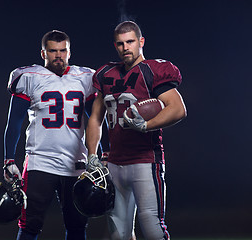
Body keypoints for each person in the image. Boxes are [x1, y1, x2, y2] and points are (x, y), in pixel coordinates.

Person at [86, 21, 187, 240]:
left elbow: (178, 109)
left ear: (141, 42)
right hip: (114, 163)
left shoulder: (153, 70)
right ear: (116, 46)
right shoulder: (106, 74)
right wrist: (92, 154)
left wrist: (147, 125)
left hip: (145, 161)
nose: (126, 48)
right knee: (118, 234)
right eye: (121, 44)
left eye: (130, 42)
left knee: (153, 229)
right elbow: (95, 118)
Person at [3, 30, 108, 240]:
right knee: (29, 224)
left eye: (63, 50)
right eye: (53, 51)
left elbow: (95, 120)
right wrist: (9, 158)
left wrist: (104, 155)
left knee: (77, 225)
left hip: (76, 163)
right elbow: (14, 121)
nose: (58, 55)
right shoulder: (30, 78)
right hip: (40, 163)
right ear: (43, 53)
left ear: (69, 52)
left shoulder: (85, 77)